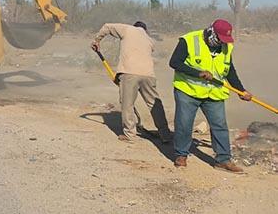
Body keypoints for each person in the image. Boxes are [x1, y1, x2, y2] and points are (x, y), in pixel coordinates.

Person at [169, 19, 252, 173]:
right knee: (184, 123)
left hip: (214, 93)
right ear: (212, 33)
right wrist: (198, 73)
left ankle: (223, 160)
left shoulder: (226, 47)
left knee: (220, 126)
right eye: (220, 39)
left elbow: (229, 70)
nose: (222, 42)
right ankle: (181, 155)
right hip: (188, 90)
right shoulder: (189, 40)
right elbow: (174, 62)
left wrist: (241, 90)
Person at [92, 21, 172, 143]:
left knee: (127, 104)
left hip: (129, 73)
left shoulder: (128, 29)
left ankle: (129, 135)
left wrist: (97, 40)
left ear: (135, 26)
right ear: (145, 30)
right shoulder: (149, 40)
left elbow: (107, 26)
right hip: (148, 75)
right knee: (154, 104)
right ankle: (165, 134)